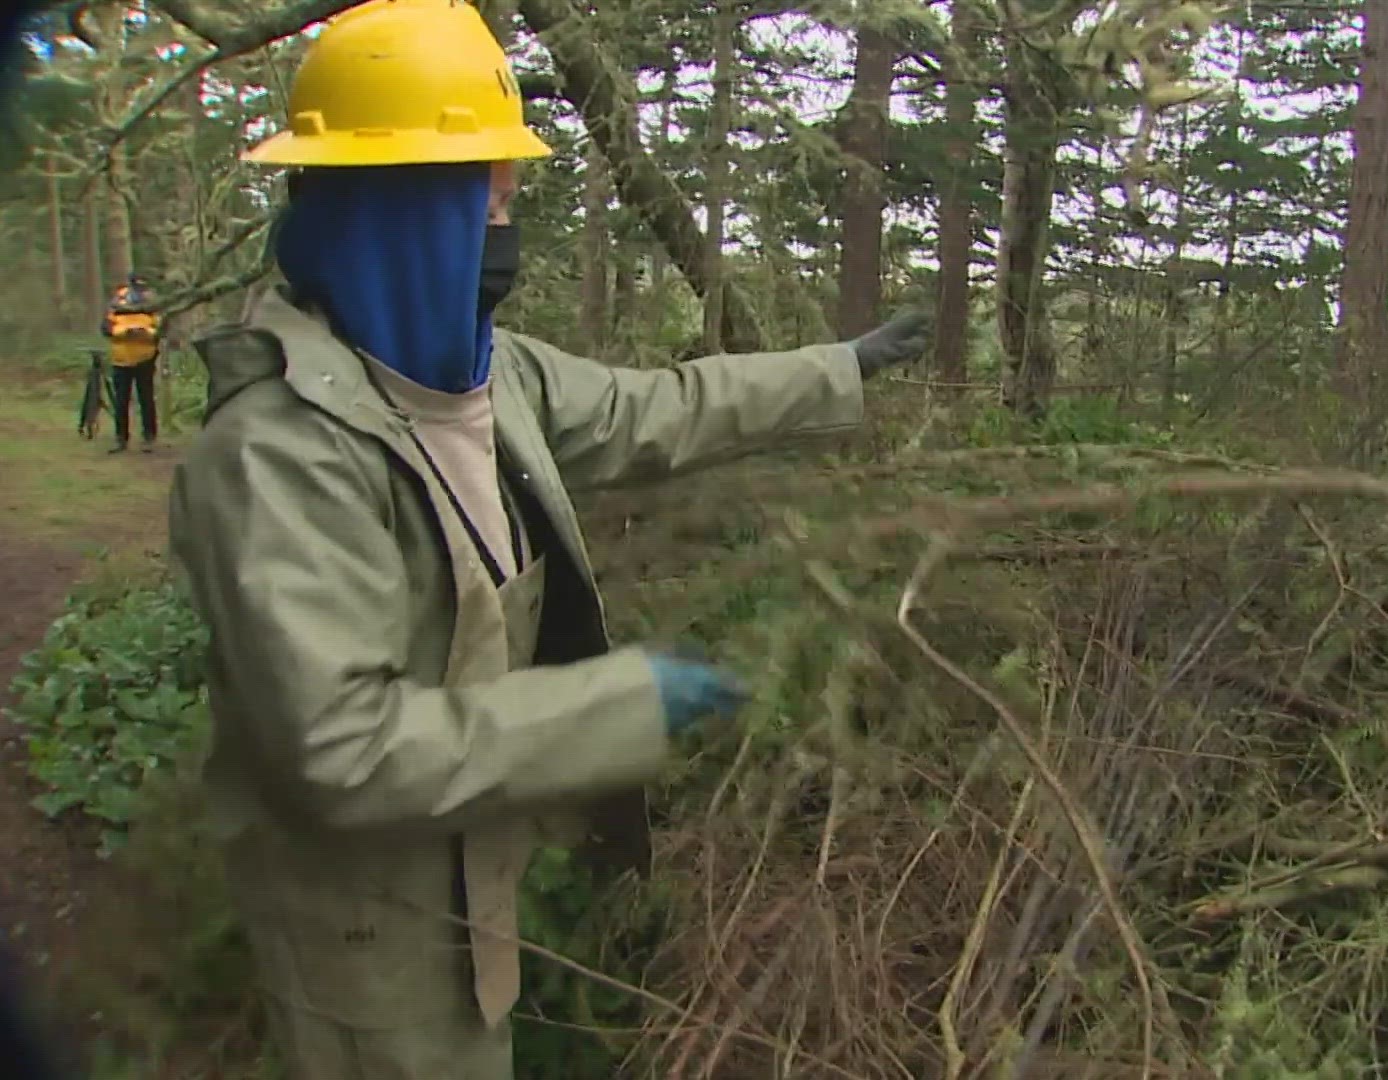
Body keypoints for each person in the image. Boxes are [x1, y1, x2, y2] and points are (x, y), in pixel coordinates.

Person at [164, 2, 930, 1077]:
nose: (506, 218)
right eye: (492, 189)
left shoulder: (487, 373)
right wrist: (622, 707)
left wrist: (837, 369)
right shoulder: (279, 458)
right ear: (412, 203)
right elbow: (343, 750)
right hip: (365, 944)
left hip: (468, 888)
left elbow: (655, 410)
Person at [100, 273, 162, 453]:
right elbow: (106, 328)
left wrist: (146, 333)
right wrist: (122, 333)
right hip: (121, 359)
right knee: (121, 401)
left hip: (145, 358)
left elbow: (161, 328)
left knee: (147, 399)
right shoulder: (117, 301)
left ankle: (149, 438)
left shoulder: (153, 303)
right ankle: (121, 439)